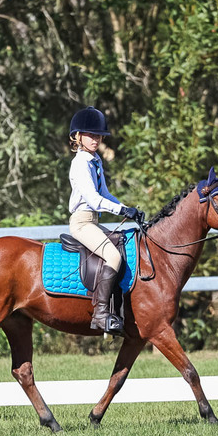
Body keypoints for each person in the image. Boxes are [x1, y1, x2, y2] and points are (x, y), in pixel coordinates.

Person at [67, 106, 144, 335]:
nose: (96, 139)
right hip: (82, 223)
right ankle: (100, 313)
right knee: (112, 255)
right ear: (78, 136)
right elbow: (94, 199)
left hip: (93, 220)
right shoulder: (80, 163)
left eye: (99, 135)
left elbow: (106, 194)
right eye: (91, 135)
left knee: (122, 243)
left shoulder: (95, 160)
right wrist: (121, 210)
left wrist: (127, 209)